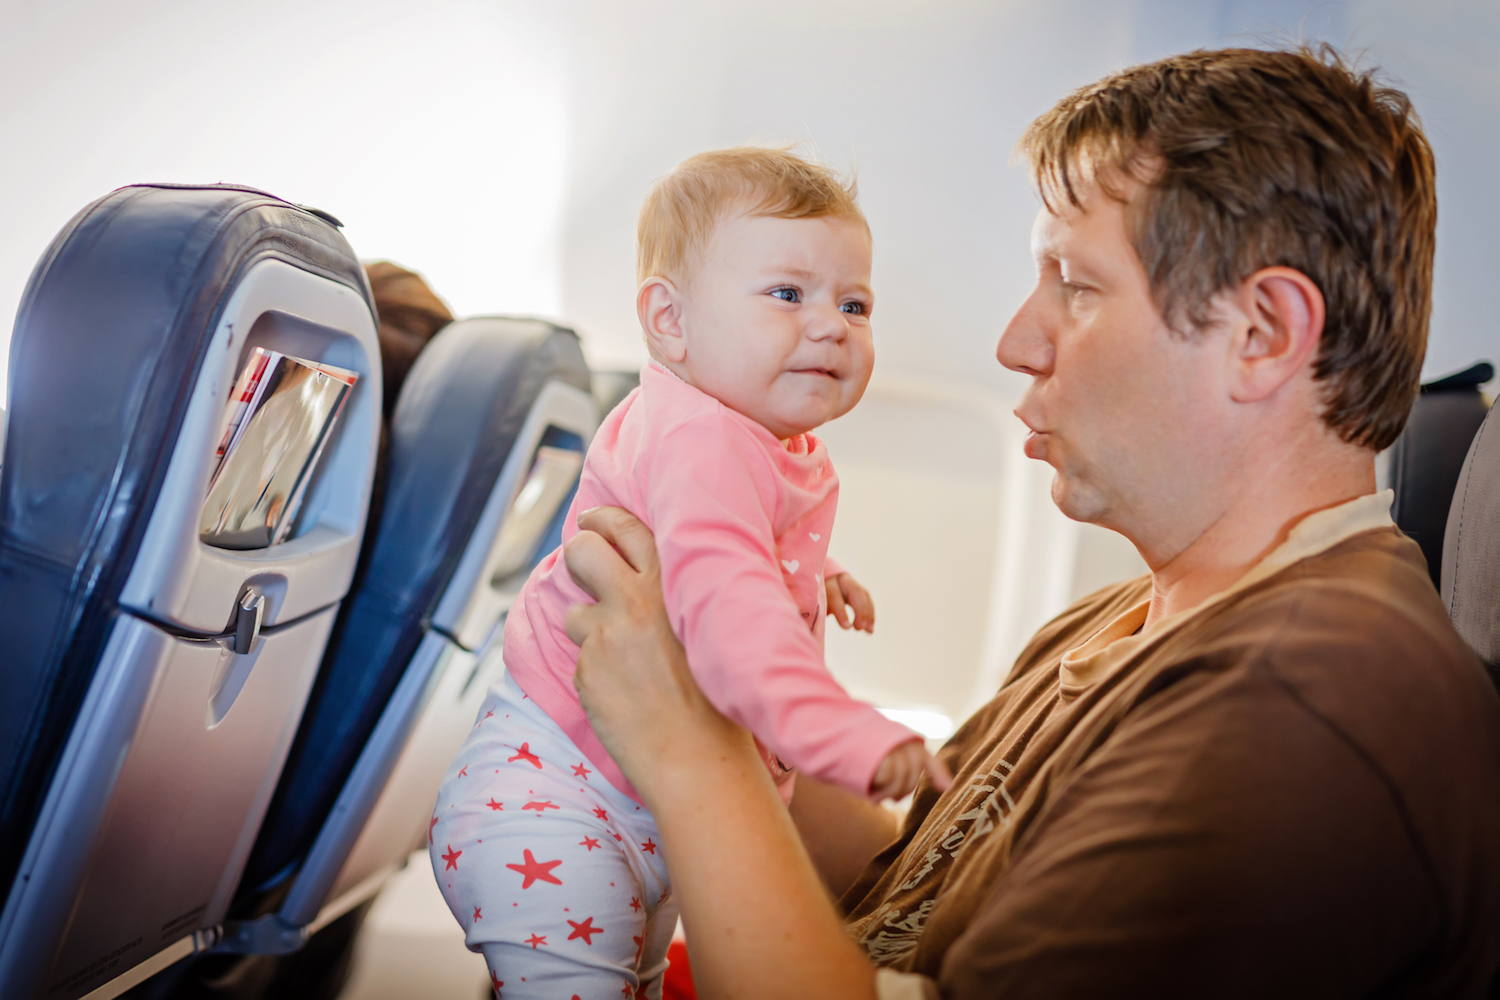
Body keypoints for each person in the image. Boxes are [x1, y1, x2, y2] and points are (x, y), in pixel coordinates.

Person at [559, 46, 1500, 998]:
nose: (1017, 343)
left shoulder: (1300, 711)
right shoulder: (1126, 617)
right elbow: (915, 886)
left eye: (1076, 286)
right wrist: (738, 695)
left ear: (1263, 335)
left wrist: (691, 753)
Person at [428, 147, 943, 998]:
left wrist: (814, 571)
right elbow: (726, 601)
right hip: (555, 799)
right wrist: (838, 733)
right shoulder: (699, 434)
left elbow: (725, 539)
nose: (831, 325)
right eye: (788, 294)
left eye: (854, 304)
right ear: (669, 321)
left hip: (624, 797)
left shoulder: (748, 437)